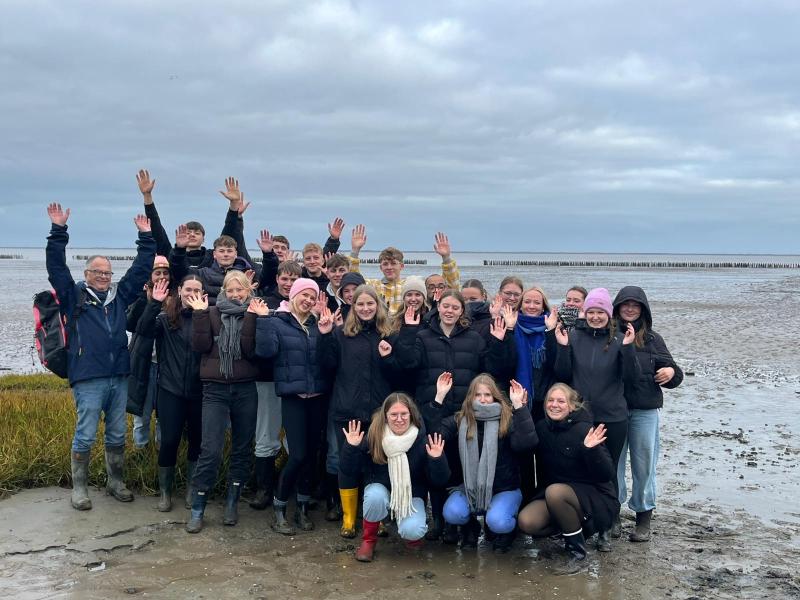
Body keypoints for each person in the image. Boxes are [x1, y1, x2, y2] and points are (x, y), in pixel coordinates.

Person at [45, 203, 155, 511]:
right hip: (88, 378)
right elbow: (55, 268)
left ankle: (115, 482)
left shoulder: (119, 297)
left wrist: (146, 237)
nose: (104, 276)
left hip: (119, 376)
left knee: (118, 432)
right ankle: (79, 489)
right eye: (98, 272)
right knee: (85, 433)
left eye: (107, 272)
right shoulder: (73, 297)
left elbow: (140, 270)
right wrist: (58, 231)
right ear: (87, 273)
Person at [393, 290, 515, 542]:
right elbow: (407, 364)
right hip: (432, 407)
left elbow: (492, 369)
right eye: (445, 306)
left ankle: (467, 523)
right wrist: (408, 330)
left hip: (465, 412)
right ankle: (440, 519)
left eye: (455, 308)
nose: (449, 311)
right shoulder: (424, 336)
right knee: (436, 463)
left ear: (462, 312)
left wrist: (501, 341)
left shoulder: (472, 338)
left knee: (463, 465)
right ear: (438, 308)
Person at [553, 287, 641, 551]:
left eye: (600, 312)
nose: (595, 317)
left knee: (608, 472)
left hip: (612, 418)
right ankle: (577, 523)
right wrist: (562, 348)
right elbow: (562, 374)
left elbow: (632, 379)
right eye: (591, 312)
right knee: (579, 470)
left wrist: (627, 348)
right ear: (584, 313)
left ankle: (608, 524)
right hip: (580, 418)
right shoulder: (574, 336)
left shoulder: (618, 339)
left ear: (608, 314)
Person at [317, 285, 400, 538]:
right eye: (360, 304)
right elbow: (327, 366)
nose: (365, 309)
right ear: (353, 307)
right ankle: (349, 517)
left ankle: (376, 517)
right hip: (347, 409)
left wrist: (388, 358)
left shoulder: (389, 334)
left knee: (377, 464)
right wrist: (324, 334)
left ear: (378, 306)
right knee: (348, 464)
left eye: (370, 304)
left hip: (378, 412)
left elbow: (399, 374)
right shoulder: (342, 333)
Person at [253, 278, 330, 535]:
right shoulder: (277, 321)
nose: (307, 300)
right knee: (297, 454)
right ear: (294, 295)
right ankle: (279, 508)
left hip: (318, 396)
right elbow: (265, 352)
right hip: (293, 396)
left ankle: (304, 509)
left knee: (311, 455)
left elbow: (328, 359)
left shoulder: (319, 325)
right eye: (304, 295)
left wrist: (330, 332)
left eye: (312, 296)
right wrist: (262, 321)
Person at [426, 374, 537, 552]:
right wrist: (439, 397)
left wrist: (519, 407)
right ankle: (471, 526)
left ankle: (508, 531)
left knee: (498, 521)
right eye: (478, 395)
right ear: (471, 397)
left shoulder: (507, 418)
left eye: (487, 395)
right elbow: (435, 434)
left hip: (504, 488)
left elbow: (526, 444)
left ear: (495, 396)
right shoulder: (461, 419)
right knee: (452, 512)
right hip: (471, 488)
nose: (483, 400)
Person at [184, 270, 259, 533]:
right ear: (224, 291)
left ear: (248, 291)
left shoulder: (256, 312)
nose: (236, 294)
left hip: (245, 388)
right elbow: (200, 346)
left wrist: (251, 317)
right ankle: (198, 507)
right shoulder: (211, 312)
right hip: (214, 389)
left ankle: (232, 502)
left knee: (242, 448)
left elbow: (251, 351)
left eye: (241, 290)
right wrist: (200, 315)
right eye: (231, 290)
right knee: (211, 449)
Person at [517, 383, 619, 566]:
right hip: (557, 498)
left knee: (555, 492)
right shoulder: (542, 428)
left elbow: (607, 474)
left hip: (595, 498)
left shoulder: (584, 430)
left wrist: (591, 450)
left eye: (561, 401)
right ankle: (567, 530)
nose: (554, 405)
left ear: (572, 406)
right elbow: (523, 445)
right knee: (527, 521)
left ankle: (577, 553)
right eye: (551, 400)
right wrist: (521, 410)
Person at [339, 394, 449, 562]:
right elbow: (349, 471)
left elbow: (439, 481)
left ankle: (412, 541)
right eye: (393, 415)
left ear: (411, 414)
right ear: (385, 416)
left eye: (404, 414)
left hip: (411, 495)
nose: (399, 419)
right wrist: (351, 447)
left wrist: (436, 459)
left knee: (413, 529)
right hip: (381, 490)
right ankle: (369, 541)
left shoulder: (422, 439)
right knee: (374, 497)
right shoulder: (374, 436)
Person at [612, 286, 684, 542]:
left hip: (645, 411)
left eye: (635, 305)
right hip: (615, 411)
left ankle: (643, 517)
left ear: (643, 309)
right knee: (613, 465)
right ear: (618, 307)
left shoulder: (653, 339)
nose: (630, 309)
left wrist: (672, 373)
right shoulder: (609, 336)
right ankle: (613, 516)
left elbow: (674, 371)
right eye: (625, 304)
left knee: (644, 465)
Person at [134, 276, 204, 512]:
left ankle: (192, 490)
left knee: (197, 441)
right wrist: (154, 303)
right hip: (170, 389)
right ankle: (165, 492)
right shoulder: (166, 319)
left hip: (199, 391)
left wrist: (202, 315)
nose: (192, 293)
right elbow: (142, 330)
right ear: (180, 291)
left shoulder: (207, 318)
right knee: (170, 440)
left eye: (197, 289)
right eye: (188, 289)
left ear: (203, 294)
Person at [248, 260, 302, 510]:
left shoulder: (305, 305)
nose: (288, 283)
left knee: (295, 439)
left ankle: (291, 486)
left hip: (296, 382)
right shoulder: (265, 304)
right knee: (266, 434)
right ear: (278, 279)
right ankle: (264, 488)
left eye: (293, 280)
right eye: (284, 278)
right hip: (267, 379)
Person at [347, 225, 460, 312]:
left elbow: (450, 287)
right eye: (385, 264)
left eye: (393, 263)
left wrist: (446, 258)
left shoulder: (413, 284)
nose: (389, 267)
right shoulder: (373, 285)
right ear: (381, 267)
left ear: (401, 266)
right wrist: (355, 251)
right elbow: (352, 279)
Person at [126, 254, 172, 449]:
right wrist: (146, 301)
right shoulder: (141, 295)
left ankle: (161, 453)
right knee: (142, 415)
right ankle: (140, 451)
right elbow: (130, 324)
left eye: (165, 273)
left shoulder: (175, 297)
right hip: (143, 363)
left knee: (164, 415)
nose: (161, 276)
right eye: (157, 273)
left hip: (166, 365)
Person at [511, 287, 558, 422]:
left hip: (544, 399)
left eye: (537, 303)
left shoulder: (553, 326)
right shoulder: (511, 325)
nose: (532, 306)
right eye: (527, 302)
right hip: (518, 397)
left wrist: (550, 332)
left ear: (543, 307)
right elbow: (505, 363)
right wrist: (508, 329)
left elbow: (556, 363)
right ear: (520, 305)